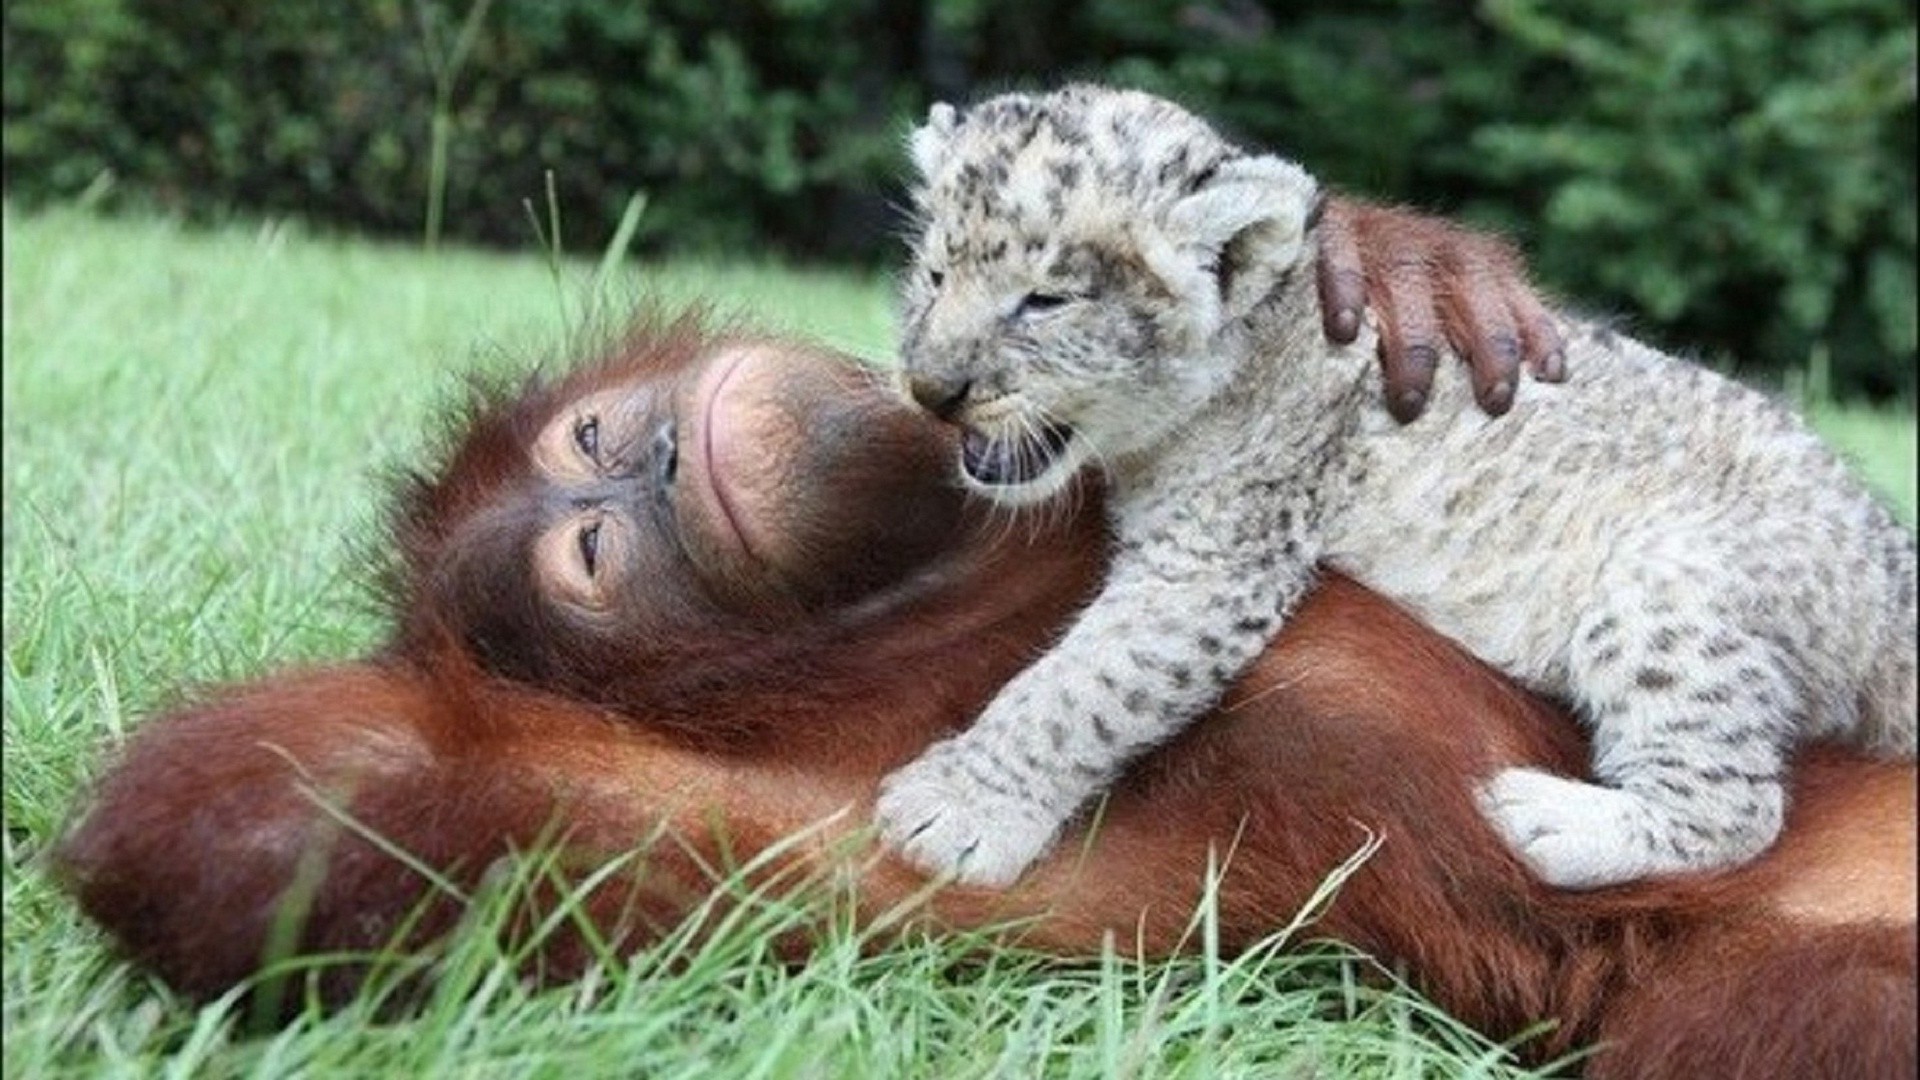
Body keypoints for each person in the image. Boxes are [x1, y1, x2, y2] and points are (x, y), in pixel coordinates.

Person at [56, 201, 1915, 1078]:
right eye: (593, 559)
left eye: (579, 443)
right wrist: (463, 721)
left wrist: (1371, 264)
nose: (621, 474)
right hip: (1791, 935)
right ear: (677, 694)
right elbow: (253, 830)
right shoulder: (903, 789)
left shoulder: (1096, 419)